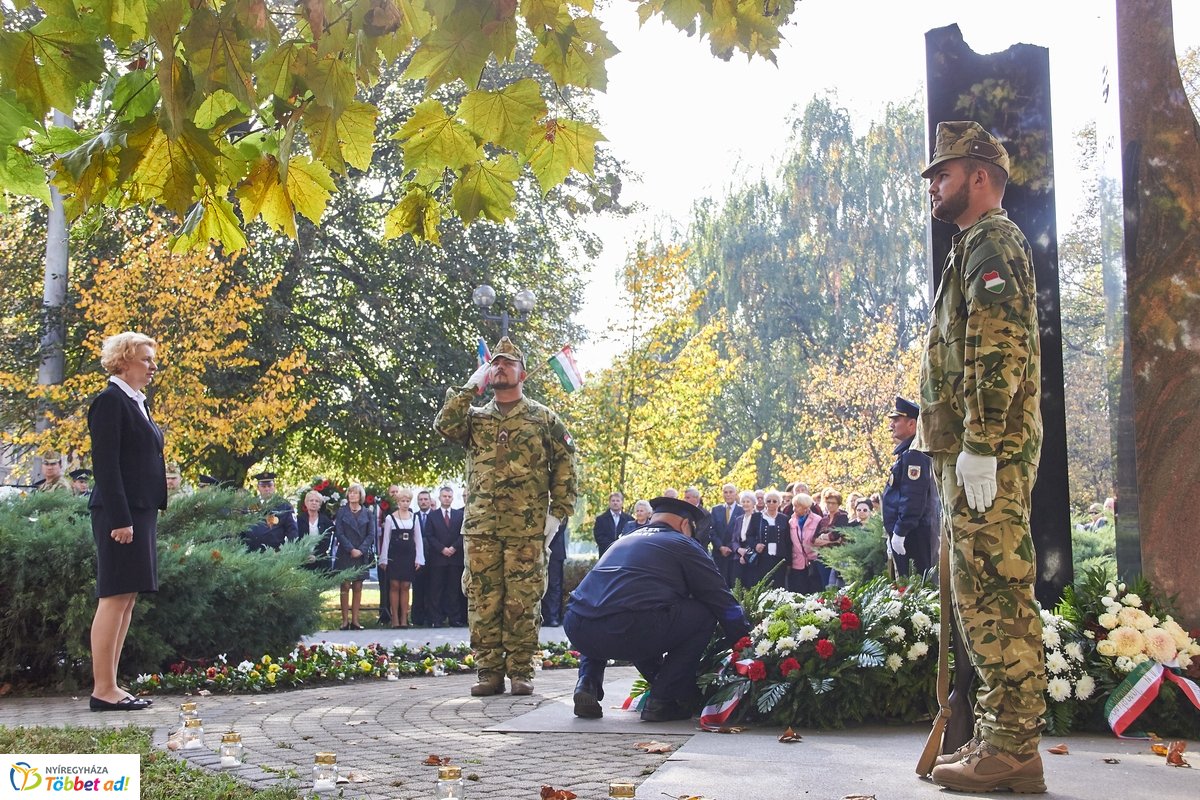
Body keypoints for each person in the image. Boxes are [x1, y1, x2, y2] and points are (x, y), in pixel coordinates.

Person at [916, 121, 1046, 793]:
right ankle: (1000, 738)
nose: (934, 183)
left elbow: (997, 344)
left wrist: (982, 442)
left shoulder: (992, 238)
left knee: (995, 592)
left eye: (944, 172)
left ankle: (1013, 746)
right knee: (980, 591)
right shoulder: (972, 243)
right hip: (968, 449)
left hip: (984, 450)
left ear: (979, 174)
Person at [434, 336, 577, 697]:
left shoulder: (543, 418)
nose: (499, 367)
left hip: (527, 529)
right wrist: (472, 385)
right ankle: (488, 672)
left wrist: (557, 515)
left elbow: (566, 466)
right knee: (483, 601)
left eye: (507, 363)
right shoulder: (476, 419)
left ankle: (521, 670)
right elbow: (445, 424)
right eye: (494, 363)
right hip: (481, 527)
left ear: (522, 373)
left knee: (523, 601)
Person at [565, 496, 750, 722]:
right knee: (702, 614)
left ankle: (587, 682)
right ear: (685, 525)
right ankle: (662, 700)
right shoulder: (684, 544)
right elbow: (720, 599)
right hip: (633, 628)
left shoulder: (623, 541)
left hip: (579, 627)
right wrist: (744, 641)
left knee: (605, 607)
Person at [86, 332, 166, 711]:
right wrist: (120, 518)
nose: (153, 366)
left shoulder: (136, 402)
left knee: (126, 598)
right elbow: (106, 465)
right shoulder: (110, 402)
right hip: (120, 516)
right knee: (113, 597)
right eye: (146, 359)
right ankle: (103, 690)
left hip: (138, 512)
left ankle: (112, 686)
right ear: (124, 361)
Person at [882, 396, 939, 577]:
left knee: (915, 586)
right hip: (909, 533)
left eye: (896, 420)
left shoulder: (914, 454)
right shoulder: (907, 453)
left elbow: (913, 496)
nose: (891, 425)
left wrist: (901, 530)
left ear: (912, 424)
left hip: (913, 535)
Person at [379, 487, 424, 628]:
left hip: (409, 555)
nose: (405, 503)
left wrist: (419, 558)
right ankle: (395, 619)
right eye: (402, 501)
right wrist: (384, 559)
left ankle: (404, 618)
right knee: (394, 585)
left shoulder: (414, 518)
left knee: (405, 585)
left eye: (408, 501)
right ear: (397, 502)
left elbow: (418, 539)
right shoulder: (390, 518)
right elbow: (386, 539)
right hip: (395, 554)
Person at [333, 483, 376, 630]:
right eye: (350, 492)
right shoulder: (341, 512)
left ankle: (356, 620)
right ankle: (344, 621)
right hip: (345, 553)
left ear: (360, 496)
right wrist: (350, 548)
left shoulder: (368, 513)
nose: (352, 495)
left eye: (355, 493)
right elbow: (339, 532)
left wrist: (361, 549)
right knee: (345, 585)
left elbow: (371, 534)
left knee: (358, 586)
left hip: (361, 554)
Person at [424, 485, 465, 627]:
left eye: (449, 496)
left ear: (453, 498)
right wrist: (442, 549)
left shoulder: (459, 515)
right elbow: (429, 535)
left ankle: (454, 618)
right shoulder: (432, 515)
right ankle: (436, 618)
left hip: (455, 558)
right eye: (444, 496)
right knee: (436, 589)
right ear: (440, 498)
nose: (447, 499)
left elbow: (462, 534)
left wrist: (453, 547)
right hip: (438, 558)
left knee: (453, 589)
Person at [242, 472, 299, 551]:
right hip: (251, 553)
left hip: (274, 554)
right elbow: (241, 527)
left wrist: (290, 551)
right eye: (263, 486)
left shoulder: (285, 505)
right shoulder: (250, 504)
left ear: (274, 487)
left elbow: (292, 530)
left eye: (269, 486)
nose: (267, 489)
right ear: (258, 487)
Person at [787, 493, 825, 593]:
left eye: (797, 506)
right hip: (797, 562)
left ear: (805, 507)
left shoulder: (818, 520)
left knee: (814, 590)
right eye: (793, 506)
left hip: (813, 561)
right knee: (799, 591)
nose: (794, 509)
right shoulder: (791, 521)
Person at [709, 483, 743, 586]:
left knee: (734, 585)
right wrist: (720, 547)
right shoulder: (716, 510)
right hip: (719, 554)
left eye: (730, 492)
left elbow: (743, 532)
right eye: (725, 492)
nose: (728, 495)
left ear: (735, 494)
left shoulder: (742, 510)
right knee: (720, 584)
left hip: (735, 555)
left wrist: (731, 547)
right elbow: (711, 530)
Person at [411, 489, 434, 626]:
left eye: (426, 499)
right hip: (417, 559)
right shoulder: (413, 516)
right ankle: (417, 618)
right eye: (421, 499)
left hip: (434, 558)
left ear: (430, 501)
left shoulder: (436, 516)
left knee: (432, 589)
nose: (423, 502)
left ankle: (431, 617)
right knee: (418, 589)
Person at [298, 489, 335, 572]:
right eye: (311, 500)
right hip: (302, 559)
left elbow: (326, 541)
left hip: (321, 560)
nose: (314, 503)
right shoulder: (299, 520)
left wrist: (316, 556)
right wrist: (305, 554)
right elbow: (297, 539)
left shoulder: (326, 521)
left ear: (320, 505)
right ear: (306, 503)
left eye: (317, 501)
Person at [542, 518, 568, 626]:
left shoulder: (559, 504)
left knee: (554, 585)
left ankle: (552, 616)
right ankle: (542, 615)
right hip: (537, 549)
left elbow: (561, 524)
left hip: (555, 550)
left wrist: (546, 541)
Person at [730, 489, 759, 587]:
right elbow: (734, 539)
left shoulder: (758, 518)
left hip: (753, 556)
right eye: (743, 502)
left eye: (748, 501)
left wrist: (746, 553)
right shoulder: (739, 519)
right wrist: (739, 550)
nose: (745, 504)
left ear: (753, 503)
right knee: (737, 585)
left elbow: (757, 538)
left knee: (750, 585)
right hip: (738, 555)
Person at [592, 491, 633, 557]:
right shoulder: (601, 519)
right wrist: (613, 546)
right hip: (606, 554)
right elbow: (599, 537)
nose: (615, 503)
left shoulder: (629, 519)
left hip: (624, 554)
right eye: (613, 501)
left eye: (617, 501)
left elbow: (631, 537)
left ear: (622, 503)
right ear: (609, 503)